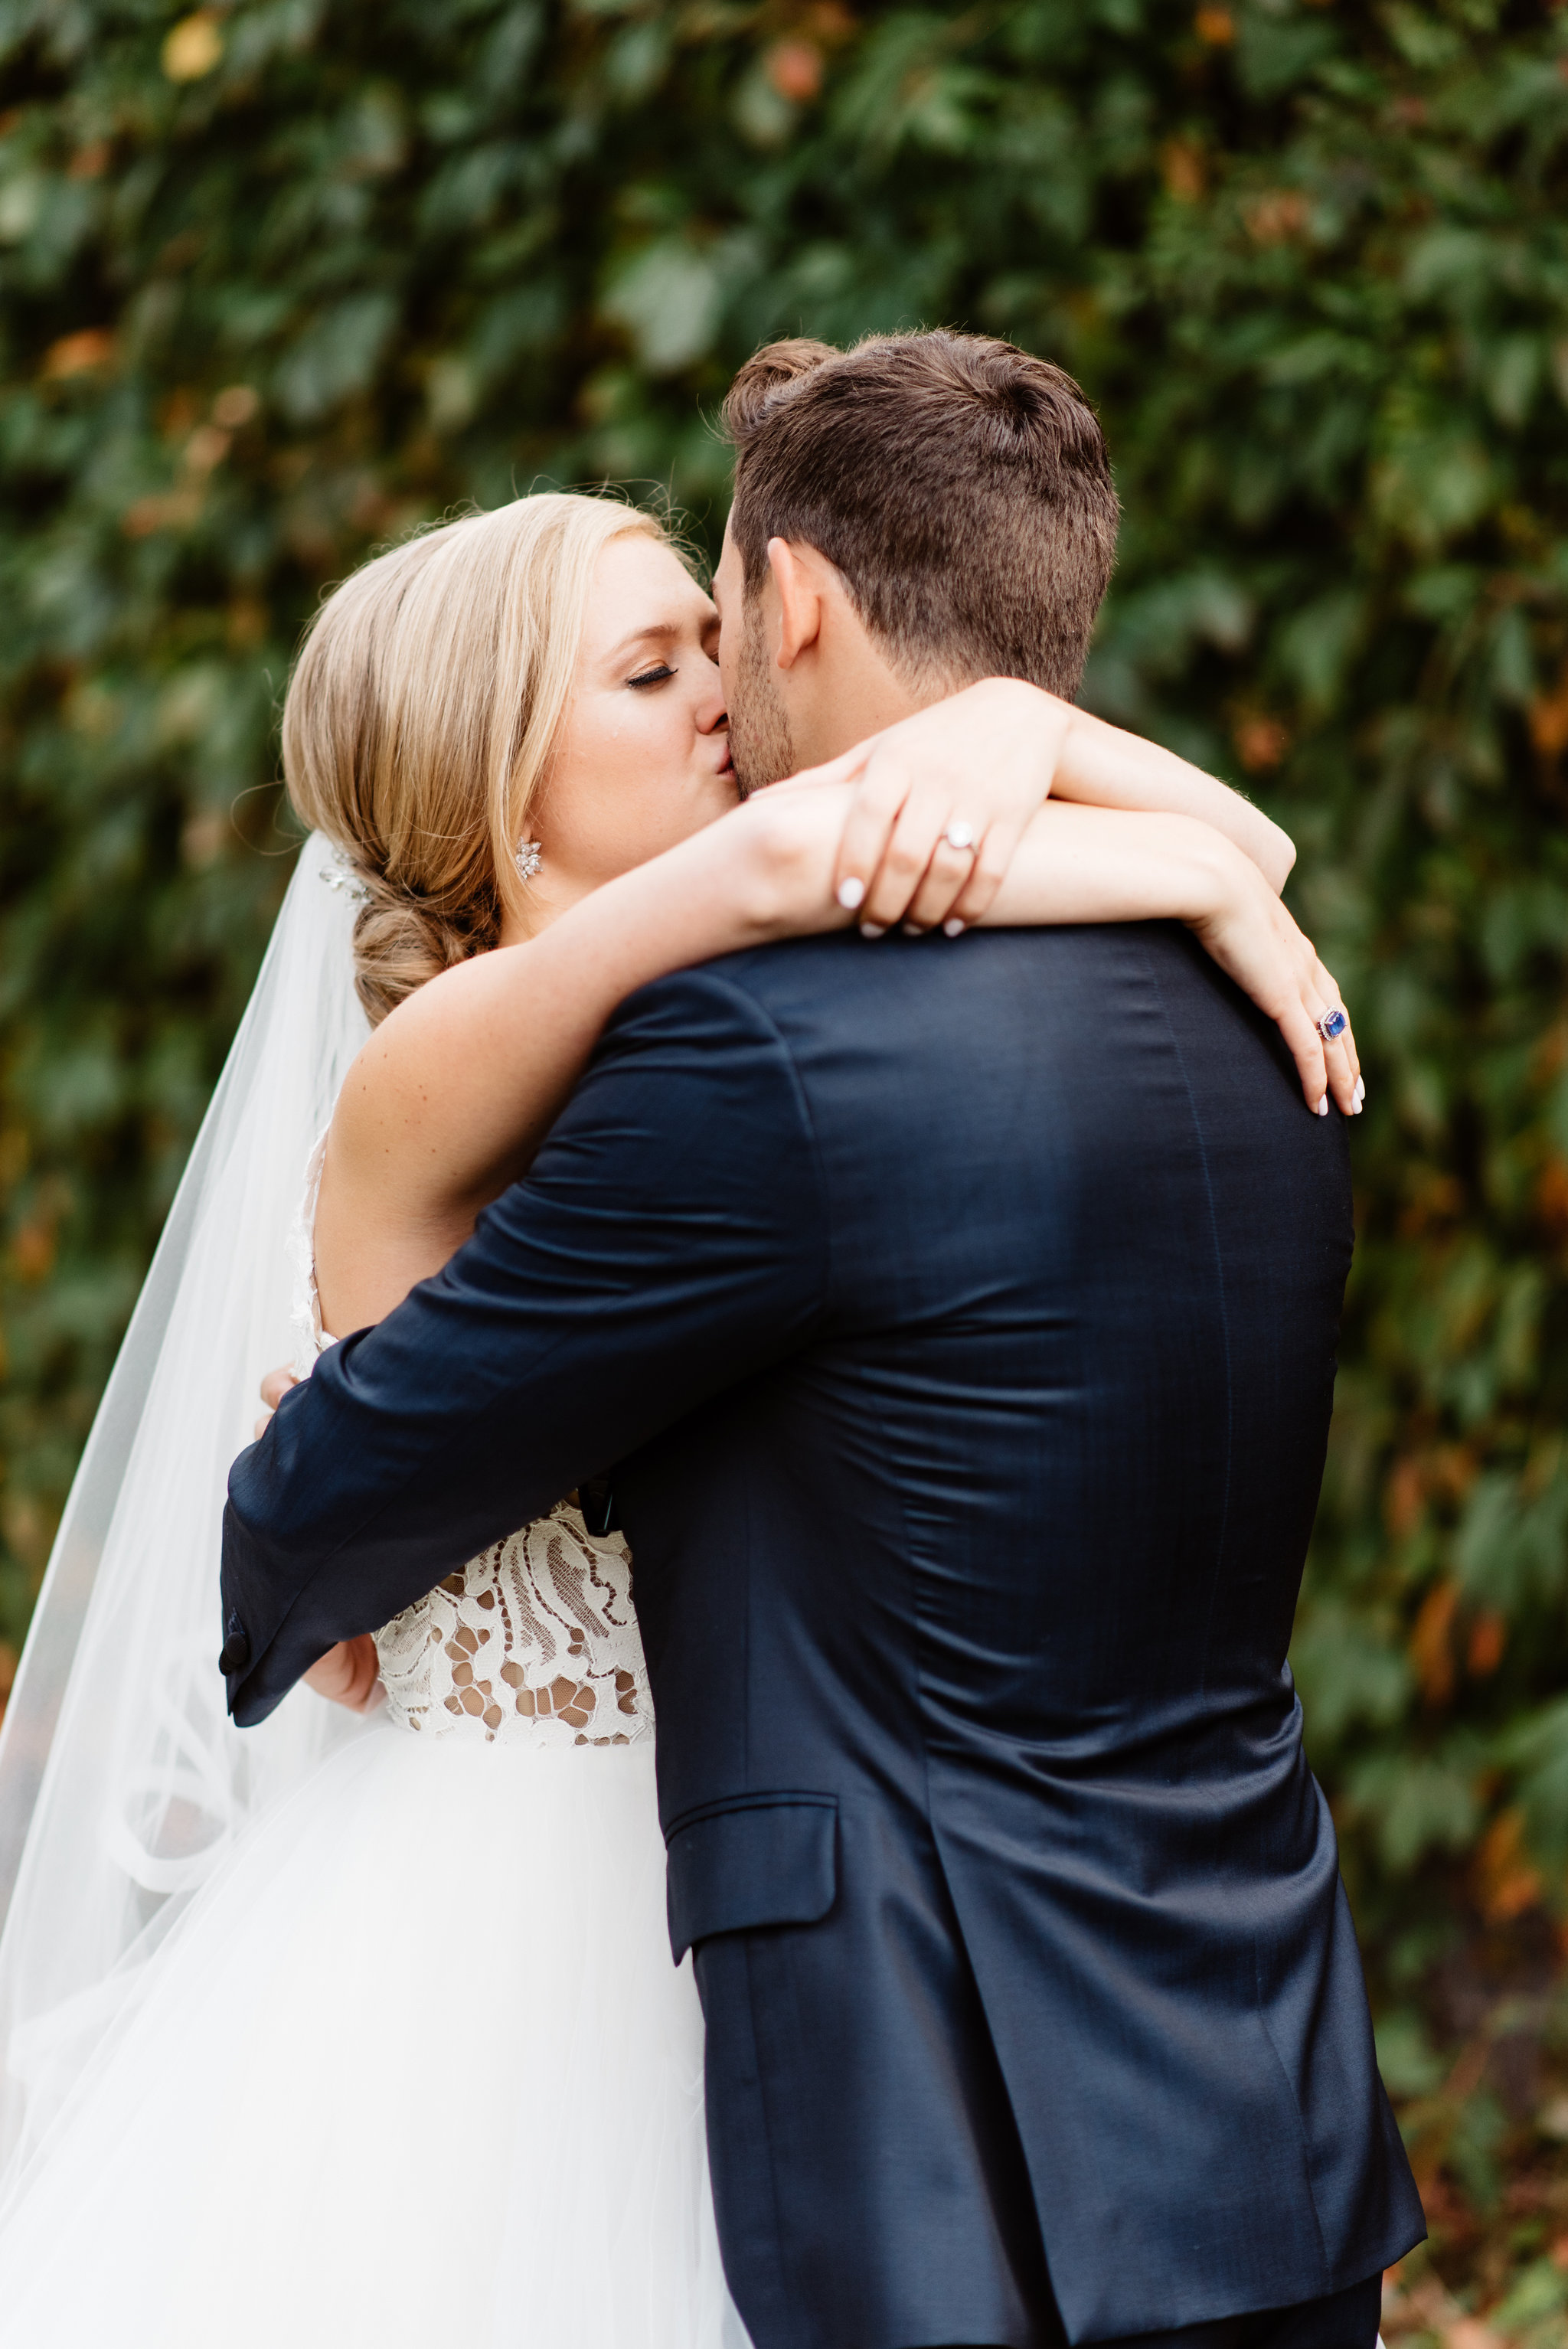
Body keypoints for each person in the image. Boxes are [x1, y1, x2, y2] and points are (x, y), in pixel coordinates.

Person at [0, 341, 1364, 2344]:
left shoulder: (745, 1015)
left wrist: (1004, 748)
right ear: (493, 780)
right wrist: (1121, 810)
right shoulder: (466, 1056)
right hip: (518, 1938)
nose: (725, 693)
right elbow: (806, 862)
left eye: (710, 641)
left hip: (781, 1914)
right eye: (648, 674)